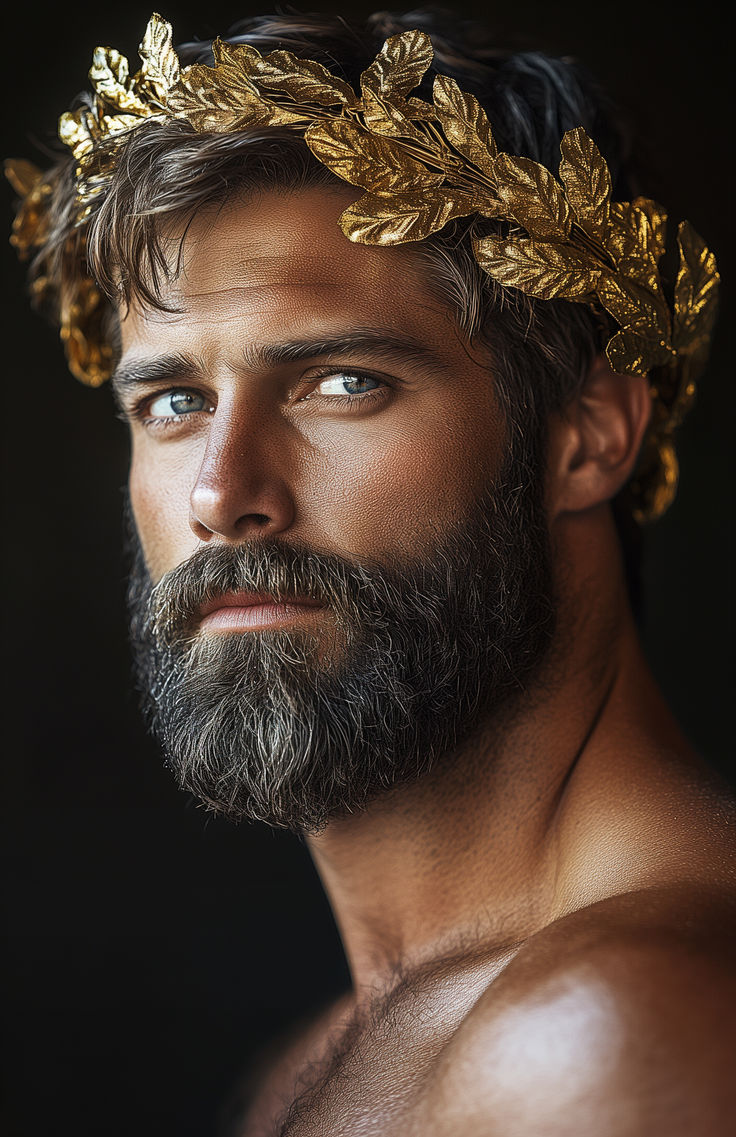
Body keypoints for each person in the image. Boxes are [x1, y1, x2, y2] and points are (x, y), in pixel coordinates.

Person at [7, 9, 734, 1134]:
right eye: (175, 402)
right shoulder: (323, 1063)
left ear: (587, 436)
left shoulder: (611, 1035)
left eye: (342, 384)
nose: (219, 494)